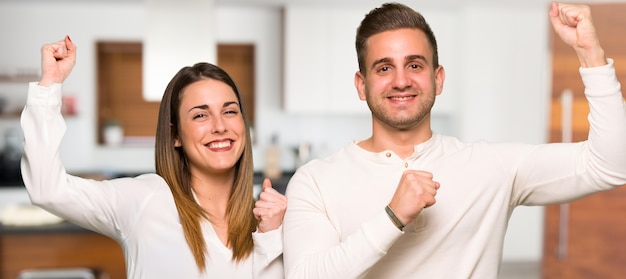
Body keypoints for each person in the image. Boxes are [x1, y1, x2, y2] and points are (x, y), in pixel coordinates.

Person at [283, 2, 626, 278]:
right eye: (384, 68)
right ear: (362, 85)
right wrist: (391, 217)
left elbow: (611, 164)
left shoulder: (493, 167)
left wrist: (590, 56)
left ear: (438, 78)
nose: (401, 80)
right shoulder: (316, 181)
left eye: (414, 65)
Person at [21, 36, 287, 278]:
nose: (220, 126)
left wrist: (271, 236)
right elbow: (47, 190)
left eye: (230, 111)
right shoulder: (145, 200)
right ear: (175, 135)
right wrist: (49, 87)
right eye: (200, 115)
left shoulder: (265, 221)